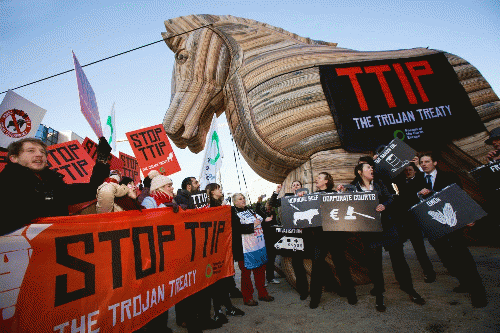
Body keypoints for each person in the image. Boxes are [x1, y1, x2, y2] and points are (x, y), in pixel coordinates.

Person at [341, 163, 425, 312]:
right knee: (375, 265)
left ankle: (409, 289)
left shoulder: (379, 183)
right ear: (360, 172)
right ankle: (379, 295)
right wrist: (340, 193)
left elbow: (390, 198)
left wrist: (384, 205)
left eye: (372, 168)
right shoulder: (352, 187)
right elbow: (346, 206)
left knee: (399, 260)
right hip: (370, 231)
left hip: (388, 227)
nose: (372, 169)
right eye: (368, 168)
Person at [411, 152, 487, 308]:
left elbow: (459, 197)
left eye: (427, 161)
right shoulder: (417, 180)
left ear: (435, 162)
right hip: (433, 228)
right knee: (447, 259)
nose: (424, 164)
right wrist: (418, 194)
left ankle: (478, 293)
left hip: (452, 223)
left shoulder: (449, 176)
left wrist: (468, 217)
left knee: (464, 257)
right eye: (421, 162)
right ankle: (464, 282)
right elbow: (410, 199)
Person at [0, 137, 110, 236]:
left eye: (43, 152)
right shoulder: (6, 183)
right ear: (14, 158)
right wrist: (54, 195)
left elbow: (90, 190)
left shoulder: (53, 183)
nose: (39, 155)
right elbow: (31, 203)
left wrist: (102, 159)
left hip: (54, 248)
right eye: (31, 151)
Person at [304, 172, 357, 309]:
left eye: (319, 178)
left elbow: (345, 209)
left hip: (335, 236)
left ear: (326, 181)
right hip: (320, 237)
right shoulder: (312, 197)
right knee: (316, 268)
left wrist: (342, 194)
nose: (316, 179)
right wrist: (301, 198)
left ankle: (350, 294)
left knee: (341, 265)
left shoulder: (335, 194)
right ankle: (315, 299)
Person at [205, 183, 245, 326]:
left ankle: (228, 307)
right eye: (218, 188)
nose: (221, 190)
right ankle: (218, 311)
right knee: (216, 281)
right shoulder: (207, 207)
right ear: (211, 192)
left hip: (225, 248)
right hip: (214, 250)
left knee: (226, 279)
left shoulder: (223, 205)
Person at [395, 163, 436, 283]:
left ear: (415, 171)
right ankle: (424, 273)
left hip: (419, 218)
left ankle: (432, 271)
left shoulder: (420, 181)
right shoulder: (399, 183)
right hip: (406, 219)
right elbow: (398, 195)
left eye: (410, 170)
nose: (408, 172)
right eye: (406, 170)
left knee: (425, 246)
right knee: (410, 249)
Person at [232, 193, 274, 306]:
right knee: (246, 274)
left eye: (243, 198)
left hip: (258, 246)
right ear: (235, 202)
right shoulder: (233, 213)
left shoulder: (250, 210)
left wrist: (266, 220)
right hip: (244, 249)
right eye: (240, 199)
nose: (243, 200)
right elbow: (236, 228)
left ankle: (263, 293)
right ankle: (247, 297)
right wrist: (252, 226)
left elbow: (259, 222)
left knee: (260, 271)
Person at [255, 195, 280, 285]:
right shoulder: (262, 213)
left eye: (270, 205)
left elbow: (275, 224)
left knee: (271, 259)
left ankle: (270, 278)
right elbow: (257, 210)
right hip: (263, 239)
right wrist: (259, 201)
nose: (269, 207)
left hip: (272, 238)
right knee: (263, 259)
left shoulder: (273, 213)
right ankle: (263, 280)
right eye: (267, 205)